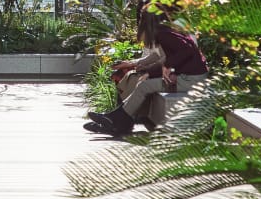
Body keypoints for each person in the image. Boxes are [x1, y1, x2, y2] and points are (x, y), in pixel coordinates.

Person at [85, 7, 208, 137]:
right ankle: (115, 119)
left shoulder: (163, 34)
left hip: (191, 80)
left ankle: (116, 122)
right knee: (143, 84)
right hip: (190, 77)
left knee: (144, 86)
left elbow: (187, 50)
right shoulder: (167, 31)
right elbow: (178, 54)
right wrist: (153, 72)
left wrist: (167, 66)